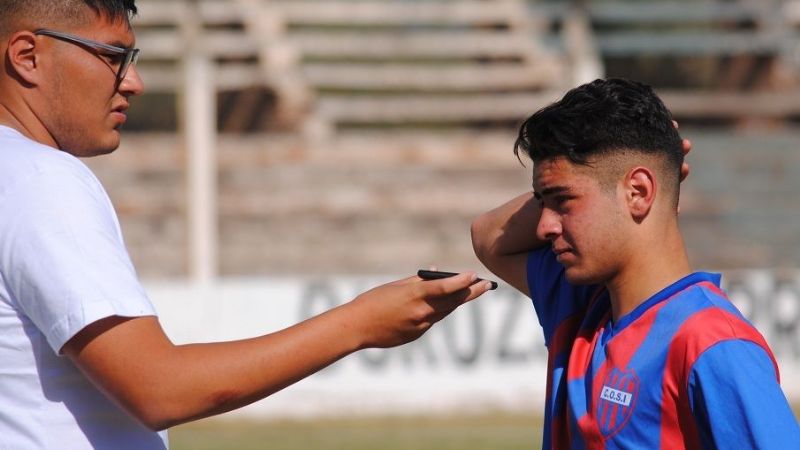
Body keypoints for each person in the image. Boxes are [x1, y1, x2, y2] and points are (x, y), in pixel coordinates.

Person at [0, 1, 492, 448]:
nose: (133, 82)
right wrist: (360, 323)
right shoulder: (42, 179)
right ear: (27, 56)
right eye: (113, 56)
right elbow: (159, 389)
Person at [471, 78, 800, 449]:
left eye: (562, 200)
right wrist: (656, 161)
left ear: (639, 192)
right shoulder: (580, 307)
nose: (544, 226)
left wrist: (655, 164)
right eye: (541, 202)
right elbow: (488, 235)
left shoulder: (712, 344)